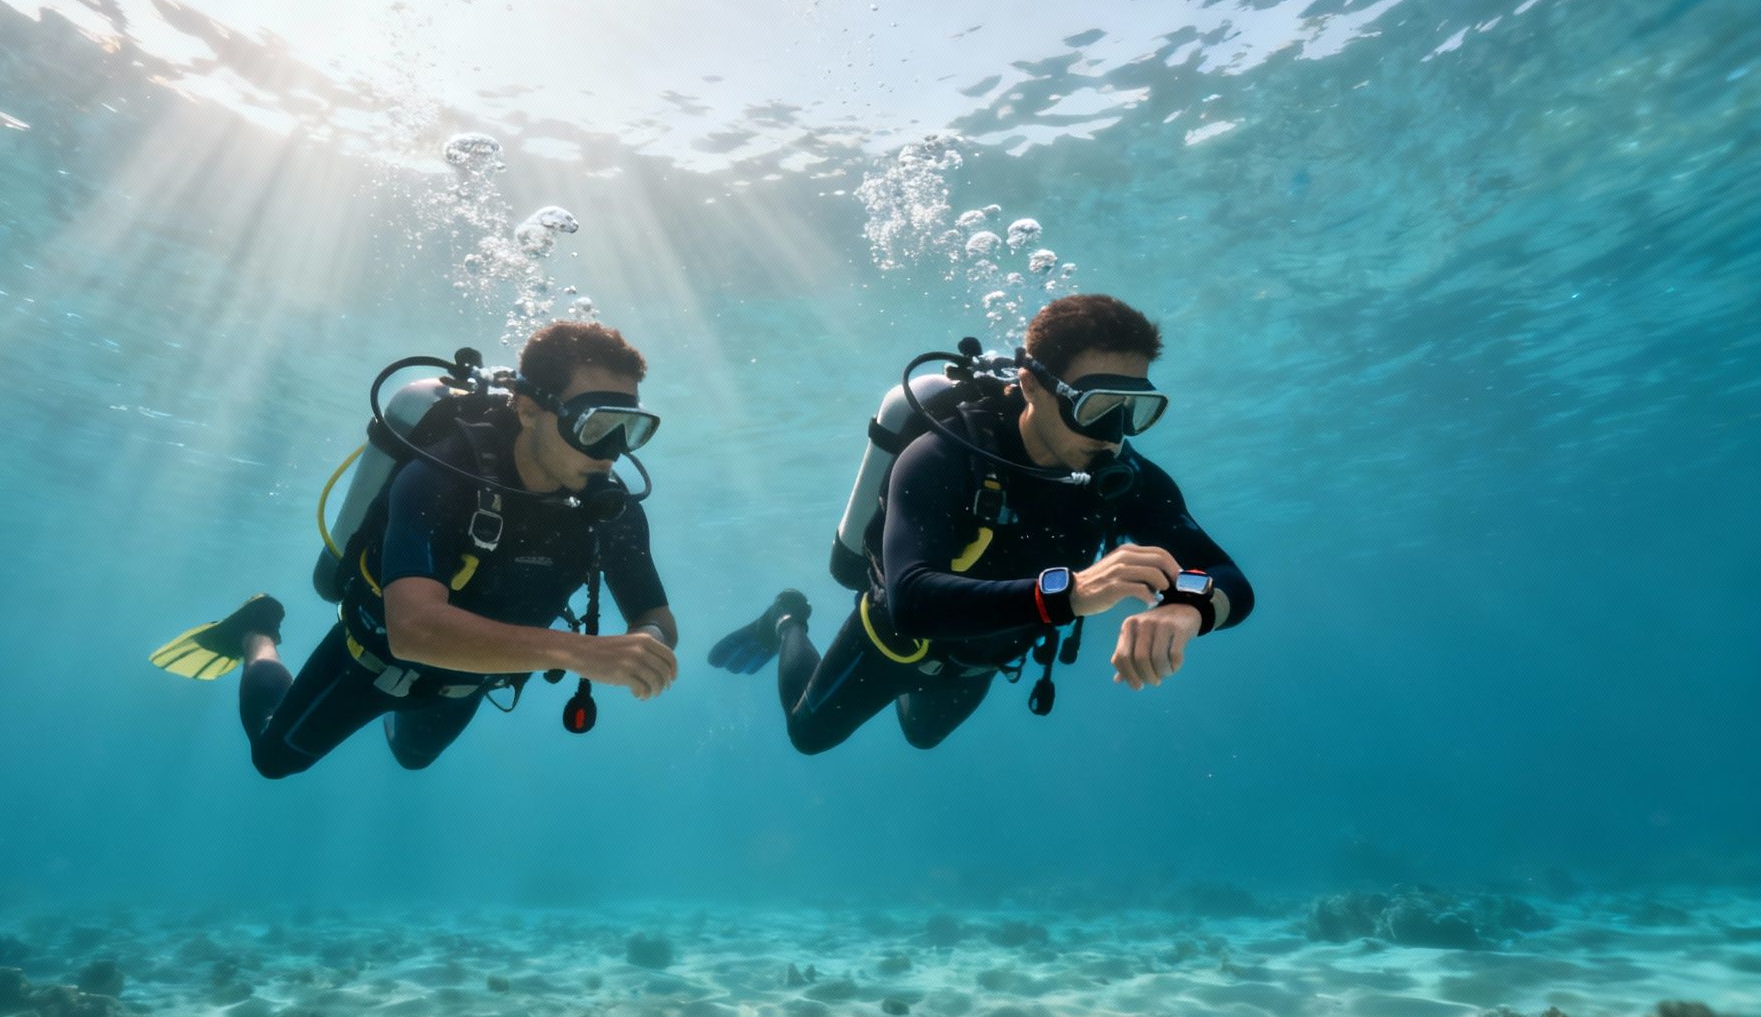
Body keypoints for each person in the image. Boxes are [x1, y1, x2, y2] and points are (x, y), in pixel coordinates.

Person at [709, 294, 1252, 754]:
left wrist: (1189, 608)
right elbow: (912, 599)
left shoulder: (1124, 476)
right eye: (1095, 407)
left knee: (922, 737)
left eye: (1135, 409)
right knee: (808, 735)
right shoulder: (942, 456)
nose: (1114, 433)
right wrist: (1071, 593)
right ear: (1033, 385)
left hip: (983, 658)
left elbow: (1228, 578)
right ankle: (787, 618)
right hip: (894, 642)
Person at [149, 322, 679, 776]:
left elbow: (654, 615)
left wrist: (645, 644)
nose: (612, 454)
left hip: (468, 682)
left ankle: (397, 716)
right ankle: (257, 630)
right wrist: (584, 652)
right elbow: (414, 631)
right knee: (273, 759)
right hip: (369, 660)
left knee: (412, 758)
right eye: (593, 426)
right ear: (527, 410)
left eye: (629, 429)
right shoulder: (439, 478)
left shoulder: (610, 510)